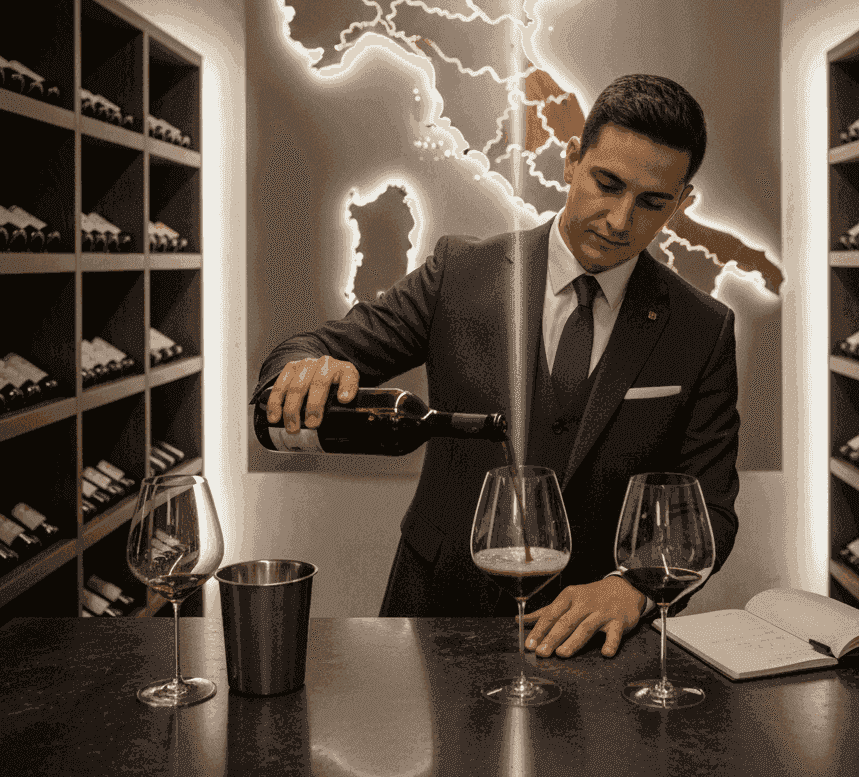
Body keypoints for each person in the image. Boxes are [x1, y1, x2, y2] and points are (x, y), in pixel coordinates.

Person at [257, 74, 741, 659]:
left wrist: (632, 589)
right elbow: (313, 346)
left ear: (683, 202)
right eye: (606, 184)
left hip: (588, 641)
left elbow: (709, 507)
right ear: (571, 162)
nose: (619, 220)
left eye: (652, 203)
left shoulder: (702, 329)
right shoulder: (460, 273)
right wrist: (302, 368)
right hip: (437, 610)